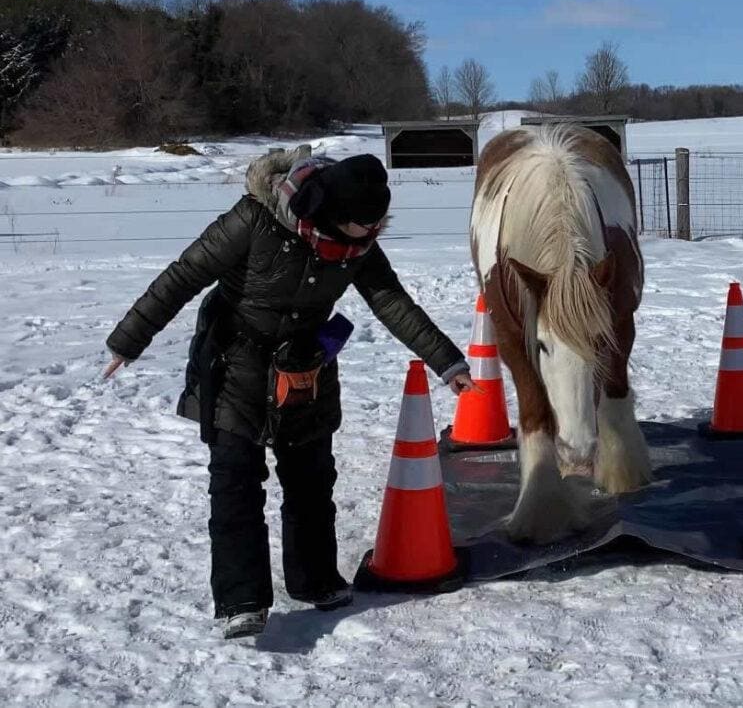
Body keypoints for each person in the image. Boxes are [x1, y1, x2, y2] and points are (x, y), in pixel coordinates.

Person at [103, 146, 474, 639]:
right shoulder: (254, 220)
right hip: (235, 364)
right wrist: (129, 340)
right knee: (235, 482)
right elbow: (183, 276)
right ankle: (242, 600)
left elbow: (391, 301)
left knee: (312, 482)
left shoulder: (358, 245)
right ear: (329, 214)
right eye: (364, 226)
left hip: (305, 372)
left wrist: (447, 363)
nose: (373, 235)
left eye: (377, 223)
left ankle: (315, 580)